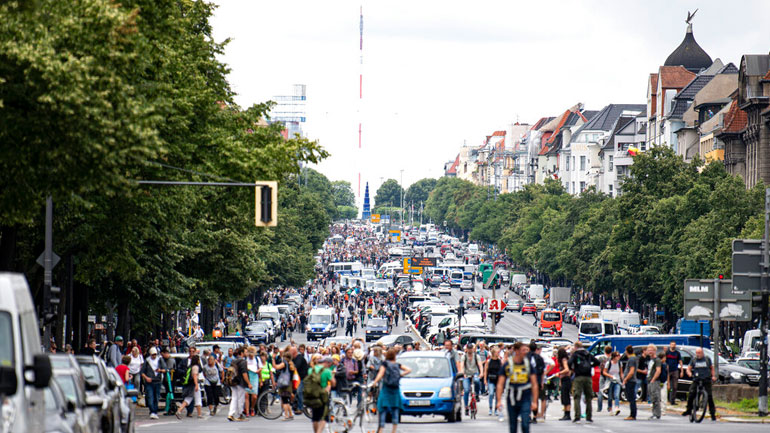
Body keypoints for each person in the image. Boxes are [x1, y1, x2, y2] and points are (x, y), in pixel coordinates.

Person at [496, 342, 538, 433]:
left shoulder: (528, 365)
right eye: (523, 350)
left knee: (525, 424)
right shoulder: (508, 365)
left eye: (527, 350)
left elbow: (534, 384)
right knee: (513, 425)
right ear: (516, 351)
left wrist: (534, 401)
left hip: (525, 396)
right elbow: (500, 383)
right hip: (512, 397)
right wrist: (499, 400)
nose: (526, 352)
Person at [370, 348, 411, 433]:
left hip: (386, 389)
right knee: (395, 409)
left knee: (383, 409)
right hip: (395, 390)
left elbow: (381, 374)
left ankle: (381, 429)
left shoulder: (385, 364)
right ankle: (394, 431)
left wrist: (374, 382)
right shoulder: (397, 365)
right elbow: (408, 370)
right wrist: (400, 375)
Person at [681, 347, 716, 422]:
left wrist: (713, 376)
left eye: (699, 353)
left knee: (709, 396)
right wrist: (689, 373)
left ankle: (712, 413)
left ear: (702, 353)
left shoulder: (707, 359)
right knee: (691, 393)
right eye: (697, 353)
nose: (698, 354)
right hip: (696, 379)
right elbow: (688, 368)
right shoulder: (694, 360)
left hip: (706, 379)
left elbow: (711, 368)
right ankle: (689, 409)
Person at [568, 341, 598, 423]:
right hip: (588, 377)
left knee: (577, 396)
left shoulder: (575, 354)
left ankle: (577, 416)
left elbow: (569, 362)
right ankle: (589, 416)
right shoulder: (587, 354)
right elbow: (597, 362)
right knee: (588, 397)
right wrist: (590, 366)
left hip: (578, 376)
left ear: (576, 347)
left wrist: (573, 369)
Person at [305, 355, 335, 433]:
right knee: (324, 417)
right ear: (327, 363)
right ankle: (319, 432)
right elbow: (333, 382)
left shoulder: (311, 370)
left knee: (315, 417)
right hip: (323, 395)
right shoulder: (327, 371)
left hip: (313, 395)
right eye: (330, 364)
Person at [140, 347, 167, 420]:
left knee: (156, 397)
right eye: (152, 355)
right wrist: (146, 378)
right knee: (150, 397)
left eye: (155, 354)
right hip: (149, 382)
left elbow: (165, 369)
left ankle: (154, 412)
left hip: (157, 381)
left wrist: (160, 370)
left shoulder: (160, 360)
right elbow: (142, 372)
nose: (154, 356)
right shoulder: (147, 361)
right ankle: (152, 410)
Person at [273, 347, 297, 420]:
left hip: (284, 383)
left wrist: (273, 359)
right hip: (289, 383)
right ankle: (290, 414)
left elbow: (276, 367)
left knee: (285, 401)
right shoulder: (291, 364)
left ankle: (286, 415)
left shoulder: (285, 364)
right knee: (287, 400)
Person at [228, 347, 251, 422]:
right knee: (241, 398)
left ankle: (231, 414)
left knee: (234, 398)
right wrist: (249, 383)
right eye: (246, 352)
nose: (247, 353)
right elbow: (244, 374)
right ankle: (240, 414)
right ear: (242, 353)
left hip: (233, 381)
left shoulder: (234, 361)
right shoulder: (243, 362)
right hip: (240, 382)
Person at [176, 354, 203, 419]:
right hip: (194, 384)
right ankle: (199, 414)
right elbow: (195, 376)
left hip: (190, 385)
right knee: (198, 399)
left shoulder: (190, 366)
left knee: (188, 398)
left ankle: (179, 410)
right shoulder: (196, 367)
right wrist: (196, 385)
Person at [461, 343, 482, 415]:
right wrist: (463, 374)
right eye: (468, 348)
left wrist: (481, 373)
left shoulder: (476, 356)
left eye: (471, 348)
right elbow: (462, 366)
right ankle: (466, 407)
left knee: (477, 381)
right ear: (466, 349)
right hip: (467, 375)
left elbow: (480, 365)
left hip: (474, 373)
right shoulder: (464, 356)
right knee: (466, 390)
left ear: (473, 349)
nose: (470, 350)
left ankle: (476, 394)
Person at [528, 342, 546, 423]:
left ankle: (528, 415)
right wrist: (542, 382)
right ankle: (535, 416)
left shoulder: (525, 357)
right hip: (537, 380)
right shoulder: (539, 358)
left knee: (528, 398)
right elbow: (542, 371)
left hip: (527, 380)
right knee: (536, 399)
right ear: (536, 349)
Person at [483, 345, 502, 417]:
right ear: (494, 353)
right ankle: (490, 408)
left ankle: (496, 409)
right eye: (497, 352)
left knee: (497, 395)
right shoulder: (488, 361)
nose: (498, 354)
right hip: (491, 379)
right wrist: (485, 379)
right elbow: (486, 371)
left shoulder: (500, 361)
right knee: (491, 393)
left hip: (498, 380)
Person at [602, 351, 623, 416]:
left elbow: (621, 372)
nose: (619, 357)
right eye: (617, 356)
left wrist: (623, 379)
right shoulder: (609, 363)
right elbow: (604, 372)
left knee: (617, 395)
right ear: (614, 357)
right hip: (610, 381)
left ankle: (617, 408)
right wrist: (610, 376)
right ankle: (610, 408)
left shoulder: (620, 363)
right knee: (610, 396)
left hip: (617, 380)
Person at [621, 345, 638, 420]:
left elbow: (631, 371)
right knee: (631, 398)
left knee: (631, 398)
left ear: (627, 351)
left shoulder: (631, 359)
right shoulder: (634, 358)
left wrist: (625, 379)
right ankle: (633, 414)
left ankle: (632, 415)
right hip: (632, 380)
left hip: (630, 380)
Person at [647, 347, 663, 420]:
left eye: (651, 350)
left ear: (655, 351)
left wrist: (653, 379)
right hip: (649, 380)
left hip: (655, 381)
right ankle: (654, 413)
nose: (649, 351)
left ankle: (657, 414)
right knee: (652, 397)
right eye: (648, 350)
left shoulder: (657, 360)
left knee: (656, 397)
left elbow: (658, 370)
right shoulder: (650, 360)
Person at [556, 347, 571, 421]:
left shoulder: (564, 360)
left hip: (566, 379)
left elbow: (567, 369)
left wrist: (559, 373)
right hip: (564, 379)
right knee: (564, 396)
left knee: (566, 396)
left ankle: (567, 413)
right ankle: (566, 413)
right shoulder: (565, 359)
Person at [595, 345, 612, 413]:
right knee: (610, 392)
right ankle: (609, 407)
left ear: (605, 351)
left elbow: (597, 365)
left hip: (602, 374)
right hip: (609, 375)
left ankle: (599, 407)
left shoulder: (601, 358)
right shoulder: (611, 359)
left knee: (600, 391)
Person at [245, 346, 260, 417]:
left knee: (254, 396)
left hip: (254, 376)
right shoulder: (246, 359)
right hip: (247, 376)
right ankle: (247, 411)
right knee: (246, 395)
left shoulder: (257, 359)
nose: (251, 357)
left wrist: (258, 371)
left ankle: (252, 408)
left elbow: (260, 368)